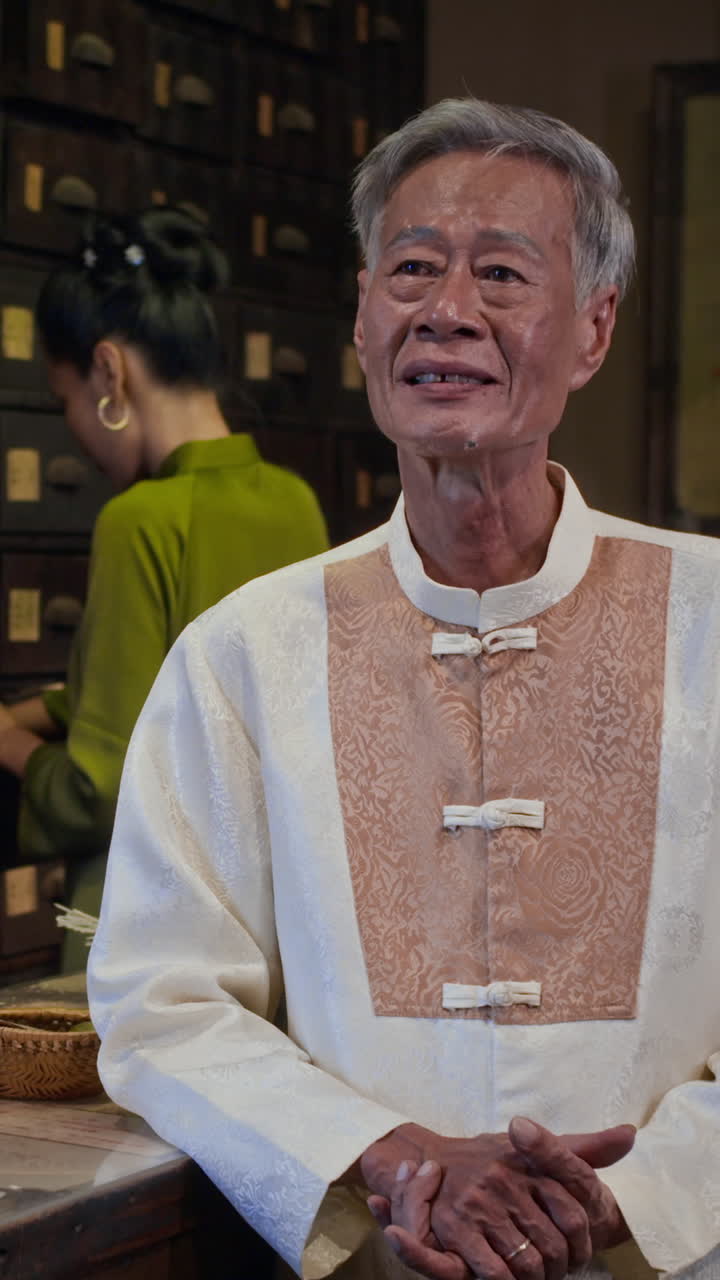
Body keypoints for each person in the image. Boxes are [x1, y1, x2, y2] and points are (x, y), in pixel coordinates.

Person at [87, 100, 720, 1280]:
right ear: (366, 319)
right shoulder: (243, 655)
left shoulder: (714, 625)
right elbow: (158, 996)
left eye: (500, 273)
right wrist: (389, 1151)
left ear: (593, 330)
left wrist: (623, 1193)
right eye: (414, 267)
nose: (448, 310)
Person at [0, 208, 328, 969]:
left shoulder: (138, 521)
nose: (75, 430)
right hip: (272, 926)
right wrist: (38, 707)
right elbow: (183, 678)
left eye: (66, 402)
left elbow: (99, 788)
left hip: (148, 932)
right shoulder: (293, 501)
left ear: (109, 372)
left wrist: (12, 743)